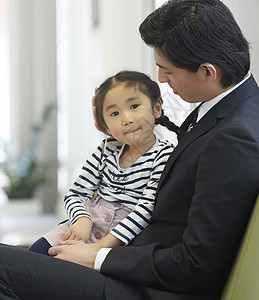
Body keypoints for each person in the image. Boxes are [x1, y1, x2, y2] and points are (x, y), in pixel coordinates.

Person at [0, 0, 259, 299]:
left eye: (167, 70)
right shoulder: (228, 109)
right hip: (133, 262)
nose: (161, 79)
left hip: (147, 287)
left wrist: (96, 256)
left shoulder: (235, 138)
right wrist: (120, 131)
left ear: (207, 71)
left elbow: (196, 264)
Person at [27, 70, 177, 255]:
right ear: (104, 125)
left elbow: (146, 210)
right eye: (114, 113)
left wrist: (101, 246)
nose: (127, 119)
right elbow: (75, 194)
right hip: (82, 226)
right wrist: (82, 219)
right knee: (31, 258)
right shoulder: (107, 148)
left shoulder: (164, 154)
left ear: (156, 108)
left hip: (119, 240)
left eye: (134, 106)